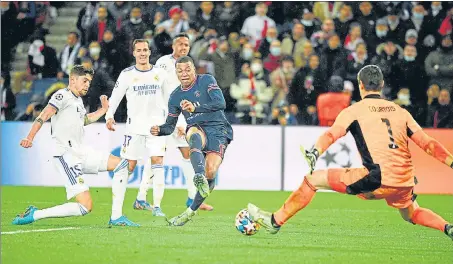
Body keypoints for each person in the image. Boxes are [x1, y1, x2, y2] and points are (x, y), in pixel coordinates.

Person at [247, 65, 453, 240]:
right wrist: (451, 162)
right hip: (405, 180)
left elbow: (332, 134)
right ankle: (447, 227)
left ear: (360, 85)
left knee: (313, 179)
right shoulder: (400, 111)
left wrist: (315, 152)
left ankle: (275, 221)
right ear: (381, 86)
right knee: (412, 213)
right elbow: (428, 143)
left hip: (375, 179)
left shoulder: (354, 110)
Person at [12, 65, 138, 227]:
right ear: (72, 80)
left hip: (81, 151)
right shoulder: (61, 96)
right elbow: (44, 115)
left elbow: (84, 120)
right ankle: (35, 214)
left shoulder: (78, 100)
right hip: (66, 155)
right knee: (85, 206)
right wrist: (29, 137)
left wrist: (103, 110)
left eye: (89, 82)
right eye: (84, 80)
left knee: (122, 165)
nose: (87, 85)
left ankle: (116, 217)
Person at [134, 33, 214, 212]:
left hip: (179, 116)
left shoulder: (188, 65)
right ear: (173, 46)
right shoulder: (163, 63)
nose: (184, 47)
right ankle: (141, 196)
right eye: (180, 44)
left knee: (188, 154)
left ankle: (192, 198)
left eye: (186, 45)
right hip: (162, 116)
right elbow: (157, 90)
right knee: (157, 157)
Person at [151, 56, 233, 226]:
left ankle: (190, 212)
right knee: (193, 134)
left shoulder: (206, 80)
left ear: (194, 69)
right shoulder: (175, 96)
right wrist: (159, 130)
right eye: (180, 71)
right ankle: (198, 176)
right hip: (197, 127)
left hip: (219, 129)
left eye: (188, 69)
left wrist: (196, 108)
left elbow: (221, 102)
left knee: (211, 172)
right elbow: (169, 126)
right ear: (176, 73)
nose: (184, 73)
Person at [105, 39, 172, 220]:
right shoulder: (127, 74)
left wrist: (172, 122)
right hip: (134, 128)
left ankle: (157, 205)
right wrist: (109, 116)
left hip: (156, 127)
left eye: (145, 50)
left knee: (158, 162)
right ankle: (117, 209)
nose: (142, 53)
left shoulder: (160, 73)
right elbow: (115, 97)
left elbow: (169, 100)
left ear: (150, 52)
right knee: (129, 166)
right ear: (133, 53)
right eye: (139, 50)